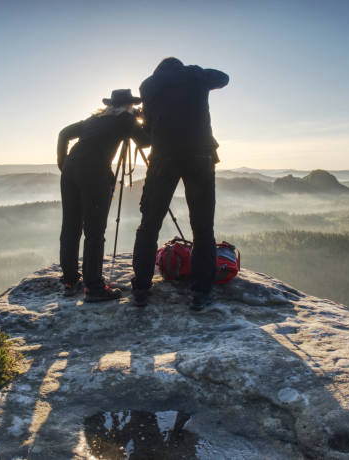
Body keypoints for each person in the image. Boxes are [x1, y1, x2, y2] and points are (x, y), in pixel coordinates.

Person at [132, 57, 229, 310]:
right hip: (200, 155)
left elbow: (148, 131)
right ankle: (201, 292)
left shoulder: (148, 86)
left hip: (163, 156)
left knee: (150, 223)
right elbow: (223, 78)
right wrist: (196, 73)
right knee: (202, 225)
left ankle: (141, 288)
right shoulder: (195, 76)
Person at [58, 89, 148, 302]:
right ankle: (94, 287)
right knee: (94, 231)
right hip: (95, 173)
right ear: (129, 106)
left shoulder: (95, 118)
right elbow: (145, 141)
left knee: (70, 226)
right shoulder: (126, 119)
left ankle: (70, 280)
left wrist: (63, 162)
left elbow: (63, 133)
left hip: (71, 169)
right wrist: (143, 119)